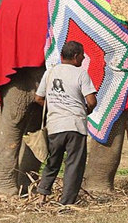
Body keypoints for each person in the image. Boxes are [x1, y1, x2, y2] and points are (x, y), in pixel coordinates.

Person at [35, 41, 98, 205]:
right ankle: (67, 203)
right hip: (75, 126)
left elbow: (38, 98)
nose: (84, 58)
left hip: (55, 126)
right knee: (73, 166)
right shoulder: (81, 74)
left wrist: (55, 106)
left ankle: (42, 195)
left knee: (52, 162)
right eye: (82, 55)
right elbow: (91, 100)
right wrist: (87, 109)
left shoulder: (50, 73)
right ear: (76, 56)